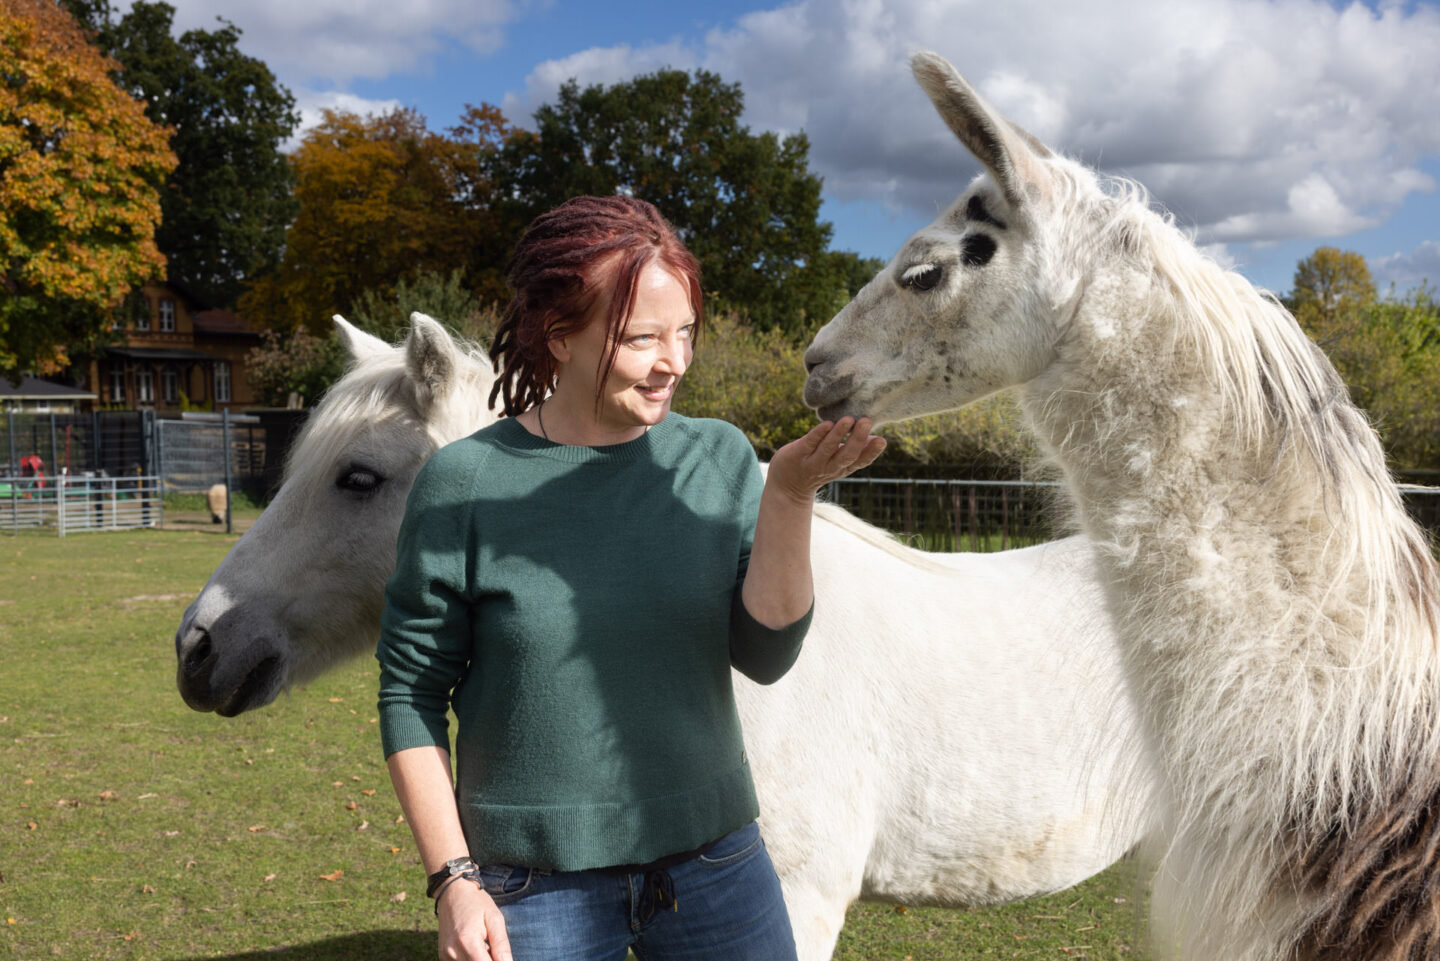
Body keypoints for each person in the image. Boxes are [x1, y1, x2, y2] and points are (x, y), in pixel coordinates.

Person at [377, 195, 884, 961]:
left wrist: (787, 495)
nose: (674, 361)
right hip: (530, 886)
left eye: (684, 333)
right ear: (560, 338)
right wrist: (454, 880)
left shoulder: (716, 458)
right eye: (642, 337)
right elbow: (410, 692)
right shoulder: (464, 483)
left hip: (716, 864)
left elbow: (767, 653)